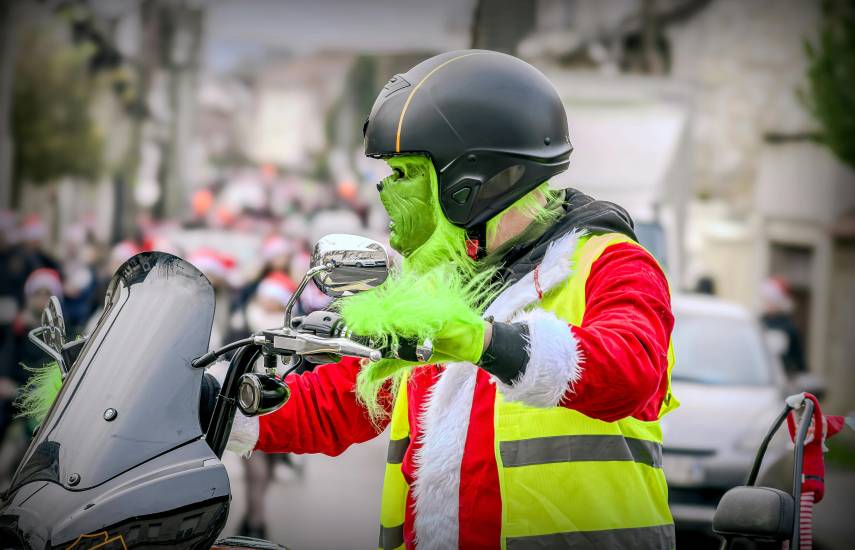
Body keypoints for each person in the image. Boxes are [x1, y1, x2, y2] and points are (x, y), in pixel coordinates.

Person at [227, 50, 677, 549]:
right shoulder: (440, 289)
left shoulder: (610, 262)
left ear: (472, 182)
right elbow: (341, 401)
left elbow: (633, 373)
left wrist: (483, 341)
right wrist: (218, 406)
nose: (388, 191)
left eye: (404, 175)